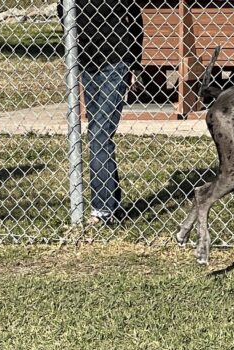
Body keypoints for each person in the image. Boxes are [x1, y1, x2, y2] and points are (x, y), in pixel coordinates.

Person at [58, 0, 143, 225]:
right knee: (98, 132)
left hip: (115, 62)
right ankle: (111, 203)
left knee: (99, 134)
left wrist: (134, 64)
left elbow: (135, 18)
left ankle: (103, 209)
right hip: (87, 63)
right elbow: (63, 14)